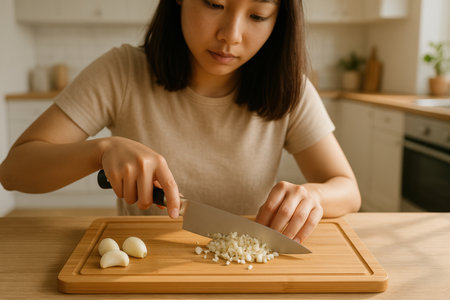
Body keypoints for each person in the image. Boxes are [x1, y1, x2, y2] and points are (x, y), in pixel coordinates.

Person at [0, 0, 360, 244]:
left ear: (278, 21)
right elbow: (14, 170)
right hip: (142, 271)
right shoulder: (121, 72)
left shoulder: (290, 89)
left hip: (245, 272)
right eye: (214, 3)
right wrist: (101, 150)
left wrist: (313, 196)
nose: (231, 35)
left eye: (258, 15)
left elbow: (347, 190)